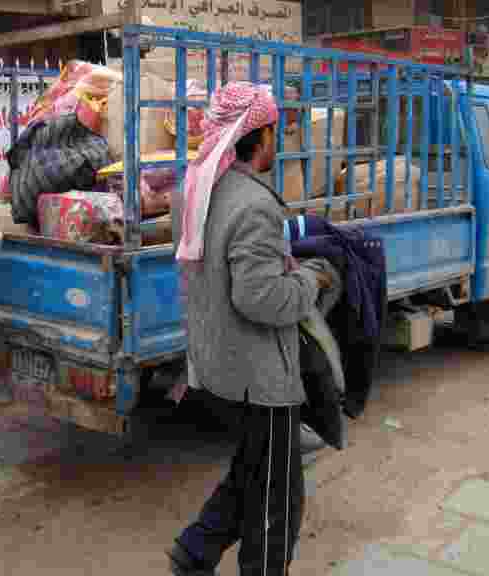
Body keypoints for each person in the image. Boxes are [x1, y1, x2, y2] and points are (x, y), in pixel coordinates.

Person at [168, 82, 336, 576]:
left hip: (219, 364)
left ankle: (194, 552)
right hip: (260, 378)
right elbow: (259, 297)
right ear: (259, 136)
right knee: (278, 498)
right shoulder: (253, 204)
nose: (276, 141)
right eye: (275, 132)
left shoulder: (195, 190)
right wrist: (311, 278)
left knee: (254, 470)